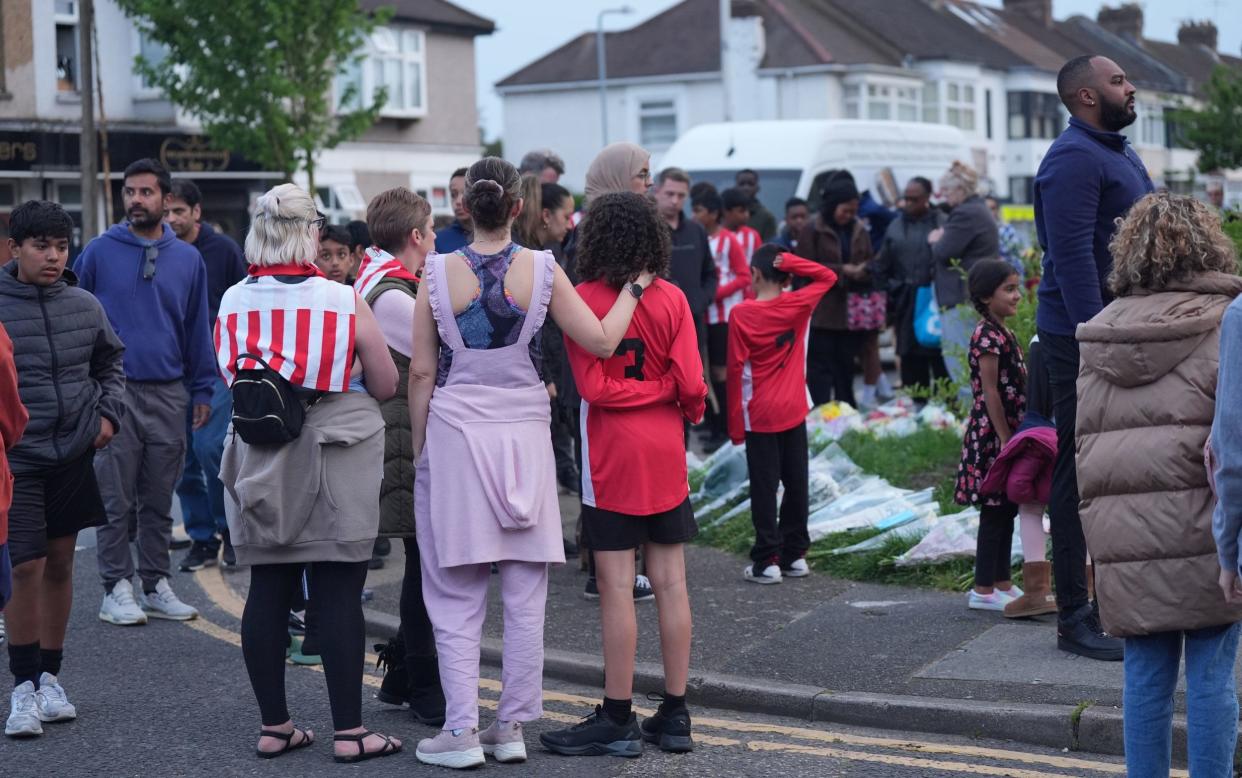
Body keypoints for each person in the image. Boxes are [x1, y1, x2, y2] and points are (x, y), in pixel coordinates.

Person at [408, 158, 653, 768]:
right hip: (524, 435)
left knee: (455, 588)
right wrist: (633, 290)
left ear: (464, 205)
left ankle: (461, 731)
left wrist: (420, 447)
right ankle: (510, 726)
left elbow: (420, 371)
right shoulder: (544, 268)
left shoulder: (434, 273)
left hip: (457, 433)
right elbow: (599, 340)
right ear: (519, 207)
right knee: (524, 589)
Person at [215, 183, 402, 762]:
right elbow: (386, 383)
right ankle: (350, 733)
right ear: (312, 234)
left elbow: (229, 372)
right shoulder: (342, 300)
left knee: (267, 587)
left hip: (259, 449)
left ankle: (276, 726)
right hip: (336, 445)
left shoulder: (232, 300)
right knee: (338, 589)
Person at [1079, 192, 1242, 775]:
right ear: (1207, 244)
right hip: (1207, 530)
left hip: (1124, 537)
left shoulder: (1098, 333)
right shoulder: (1226, 321)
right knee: (1212, 674)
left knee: (1144, 676)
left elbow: (1085, 451)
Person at [541, 191, 706, 758]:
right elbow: (693, 389)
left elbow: (595, 389)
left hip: (610, 457)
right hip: (665, 454)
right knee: (672, 583)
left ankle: (617, 716)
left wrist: (640, 392)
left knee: (616, 587)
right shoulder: (674, 299)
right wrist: (666, 393)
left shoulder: (582, 297)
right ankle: (677, 713)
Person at [1034, 54, 1151, 661]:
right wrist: (1097, 333)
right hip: (1082, 337)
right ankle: (1074, 615)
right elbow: (1071, 255)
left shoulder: (1116, 150)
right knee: (1079, 473)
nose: (1129, 88)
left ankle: (1115, 602)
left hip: (1119, 329)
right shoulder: (1074, 157)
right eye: (1117, 81)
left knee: (1116, 471)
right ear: (1085, 95)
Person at [75, 158, 213, 626]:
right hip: (113, 393)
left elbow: (198, 328)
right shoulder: (97, 252)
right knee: (114, 497)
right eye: (129, 191)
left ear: (166, 200)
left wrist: (203, 389)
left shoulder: (189, 260)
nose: (135, 199)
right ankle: (116, 587)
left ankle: (154, 583)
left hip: (170, 392)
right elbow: (74, 316)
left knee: (158, 497)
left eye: (145, 192)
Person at [3, 200, 122, 738]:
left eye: (61, 247)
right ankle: (22, 687)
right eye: (41, 247)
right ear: (14, 249)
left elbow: (110, 362)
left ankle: (51, 679)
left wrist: (107, 418)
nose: (53, 257)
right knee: (23, 567)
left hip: (72, 453)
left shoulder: (84, 304)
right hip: (16, 458)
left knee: (59, 564)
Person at [353, 187, 448, 726]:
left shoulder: (380, 281)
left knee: (424, 560)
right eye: (431, 228)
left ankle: (401, 676)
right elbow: (434, 361)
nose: (435, 237)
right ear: (415, 236)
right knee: (423, 564)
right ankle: (423, 680)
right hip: (402, 447)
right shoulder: (392, 297)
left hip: (400, 441)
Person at [573, 148, 666, 601]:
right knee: (604, 489)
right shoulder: (590, 239)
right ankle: (603, 565)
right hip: (598, 382)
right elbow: (581, 326)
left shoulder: (656, 277)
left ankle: (621, 566)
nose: (648, 183)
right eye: (642, 175)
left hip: (622, 385)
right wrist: (669, 391)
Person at [728, 247, 837, 584]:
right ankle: (794, 555)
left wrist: (735, 427)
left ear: (755, 275)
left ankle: (767, 560)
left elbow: (735, 371)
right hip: (794, 407)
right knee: (796, 481)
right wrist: (791, 262)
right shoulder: (799, 304)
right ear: (787, 277)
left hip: (759, 411)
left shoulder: (741, 314)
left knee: (764, 486)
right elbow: (828, 276)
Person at [165, 179, 246, 573]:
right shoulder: (158, 253)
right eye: (167, 212)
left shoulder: (224, 250)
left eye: (179, 211)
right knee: (180, 458)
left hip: (216, 367)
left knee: (211, 447)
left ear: (196, 212)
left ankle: (228, 528)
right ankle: (200, 536)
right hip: (170, 370)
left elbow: (245, 300)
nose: (171, 218)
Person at [954, 260, 1025, 611]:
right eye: (1008, 289)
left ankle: (1002, 582)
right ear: (985, 296)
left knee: (1007, 508)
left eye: (1017, 287)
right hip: (993, 436)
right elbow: (991, 391)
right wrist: (1004, 437)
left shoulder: (1004, 332)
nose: (1017, 295)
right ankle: (982, 589)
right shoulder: (986, 336)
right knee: (994, 512)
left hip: (1006, 432)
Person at [794, 172, 872, 408]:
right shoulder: (812, 230)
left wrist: (864, 270)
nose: (849, 216)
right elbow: (804, 267)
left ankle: (846, 417)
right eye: (844, 210)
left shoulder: (858, 228)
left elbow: (869, 257)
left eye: (853, 211)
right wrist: (841, 270)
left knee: (846, 369)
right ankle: (820, 417)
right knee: (820, 370)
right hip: (822, 313)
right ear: (832, 206)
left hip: (851, 312)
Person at [873, 177, 948, 395]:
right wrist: (892, 292)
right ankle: (918, 412)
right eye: (906, 198)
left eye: (914, 199)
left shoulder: (943, 222)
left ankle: (951, 416)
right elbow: (881, 265)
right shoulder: (895, 226)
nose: (908, 203)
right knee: (911, 366)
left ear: (927, 198)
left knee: (941, 361)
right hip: (906, 303)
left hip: (935, 304)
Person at [929, 161, 999, 394]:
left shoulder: (965, 214)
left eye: (947, 191)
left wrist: (937, 238)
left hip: (960, 297)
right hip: (972, 295)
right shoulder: (978, 209)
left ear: (960, 190)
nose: (944, 196)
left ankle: (973, 425)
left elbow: (943, 252)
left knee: (963, 368)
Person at [532, 183, 581, 495]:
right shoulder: (531, 260)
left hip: (558, 363)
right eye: (567, 214)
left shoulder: (560, 252)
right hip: (543, 371)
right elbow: (533, 324)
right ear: (546, 215)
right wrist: (546, 375)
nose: (571, 223)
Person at [692, 189, 749, 448]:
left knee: (721, 373)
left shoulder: (729, 240)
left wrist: (715, 293)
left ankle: (725, 429)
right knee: (703, 373)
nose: (694, 215)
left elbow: (744, 276)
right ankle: (713, 424)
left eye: (699, 210)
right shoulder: (696, 238)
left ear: (714, 214)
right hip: (702, 314)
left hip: (723, 317)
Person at [654, 168, 716, 326]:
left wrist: (700, 301)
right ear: (657, 191)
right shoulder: (647, 229)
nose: (675, 200)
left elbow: (710, 273)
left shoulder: (696, 230)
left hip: (694, 321)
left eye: (681, 195)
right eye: (670, 194)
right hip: (658, 321)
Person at [986, 196, 1026, 277]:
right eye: (986, 208)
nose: (989, 212)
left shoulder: (1007, 228)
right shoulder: (976, 230)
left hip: (1008, 273)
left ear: (997, 210)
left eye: (992, 208)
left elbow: (1016, 251)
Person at [435, 167, 472, 254]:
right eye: (453, 194)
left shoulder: (496, 237)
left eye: (466, 193)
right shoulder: (438, 241)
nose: (458, 201)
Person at [735, 169, 776, 241]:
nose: (746, 188)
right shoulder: (728, 214)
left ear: (757, 188)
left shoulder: (766, 217)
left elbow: (769, 247)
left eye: (750, 184)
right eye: (742, 184)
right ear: (736, 187)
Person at [721, 188, 761, 263]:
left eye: (747, 210)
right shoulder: (713, 236)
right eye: (741, 211)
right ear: (725, 212)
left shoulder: (753, 236)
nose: (747, 215)